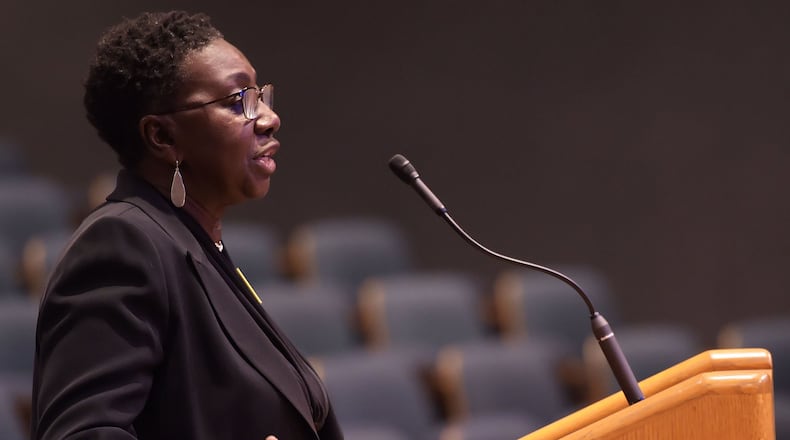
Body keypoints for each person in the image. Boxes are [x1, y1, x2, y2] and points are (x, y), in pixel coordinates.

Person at [31, 10, 343, 440]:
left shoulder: (198, 246)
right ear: (163, 137)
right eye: (239, 102)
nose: (269, 118)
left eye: (261, 96)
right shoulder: (123, 245)